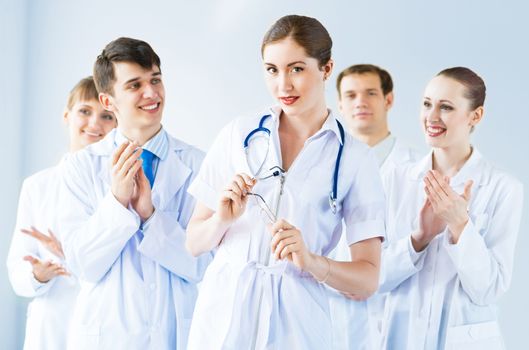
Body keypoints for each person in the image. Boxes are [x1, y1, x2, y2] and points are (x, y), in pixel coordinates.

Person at [185, 15, 385, 349]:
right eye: (272, 70)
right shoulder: (239, 134)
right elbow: (193, 242)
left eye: (296, 69)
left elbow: (367, 279)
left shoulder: (354, 159)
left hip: (297, 324)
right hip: (223, 316)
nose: (283, 86)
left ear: (326, 68)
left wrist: (312, 261)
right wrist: (222, 219)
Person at [58, 38, 209, 350]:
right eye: (134, 85)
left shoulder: (199, 164)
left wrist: (151, 217)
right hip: (107, 336)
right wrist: (116, 202)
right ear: (109, 101)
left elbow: (203, 264)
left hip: (176, 334)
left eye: (155, 79)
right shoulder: (81, 167)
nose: (151, 93)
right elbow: (81, 265)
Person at [380, 67, 523, 349]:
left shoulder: (504, 188)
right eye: (426, 104)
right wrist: (418, 239)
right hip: (402, 337)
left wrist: (460, 226)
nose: (431, 117)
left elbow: (489, 289)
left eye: (445, 107)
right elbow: (372, 279)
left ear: (476, 116)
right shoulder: (395, 177)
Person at [6, 76, 117, 350]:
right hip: (53, 329)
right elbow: (18, 270)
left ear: (118, 125)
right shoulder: (37, 186)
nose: (94, 123)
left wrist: (72, 254)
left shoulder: (123, 188)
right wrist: (38, 275)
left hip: (109, 326)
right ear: (66, 116)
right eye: (84, 112)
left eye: (106, 116)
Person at [330, 64, 420, 349]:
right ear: (340, 105)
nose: (361, 102)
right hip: (332, 312)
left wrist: (366, 280)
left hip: (397, 312)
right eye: (351, 95)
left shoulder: (419, 171)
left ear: (388, 100)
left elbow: (421, 244)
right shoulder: (322, 167)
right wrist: (340, 277)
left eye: (370, 93)